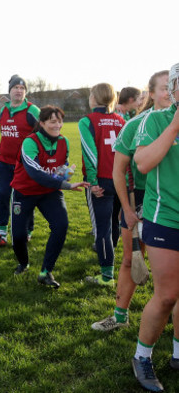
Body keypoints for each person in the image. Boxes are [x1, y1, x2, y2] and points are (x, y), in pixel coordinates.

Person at [92, 70, 171, 332]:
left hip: (174, 207)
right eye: (165, 88)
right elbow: (118, 171)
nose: (170, 93)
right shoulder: (136, 124)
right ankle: (120, 315)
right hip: (141, 203)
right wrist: (126, 209)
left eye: (174, 86)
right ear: (151, 93)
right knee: (131, 259)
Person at [130, 63, 179, 392]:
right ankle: (142, 357)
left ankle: (178, 352)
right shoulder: (155, 120)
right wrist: (176, 124)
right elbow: (143, 163)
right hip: (165, 217)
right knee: (166, 296)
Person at [9, 105, 89, 286]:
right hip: (25, 192)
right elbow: (35, 172)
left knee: (61, 225)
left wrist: (65, 173)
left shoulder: (64, 142)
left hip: (49, 193)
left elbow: (59, 169)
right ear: (42, 123)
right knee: (19, 235)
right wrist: (66, 184)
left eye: (60, 121)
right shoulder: (30, 142)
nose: (57, 125)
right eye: (53, 121)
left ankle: (46, 272)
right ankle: (23, 263)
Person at [79, 83, 126, 286]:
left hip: (101, 181)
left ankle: (107, 276)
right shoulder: (121, 120)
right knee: (113, 223)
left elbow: (90, 154)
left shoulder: (87, 121)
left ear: (95, 98)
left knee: (102, 229)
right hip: (120, 179)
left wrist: (93, 182)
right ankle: (111, 261)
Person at [0, 75, 40, 248]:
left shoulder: (32, 111)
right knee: (3, 195)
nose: (19, 91)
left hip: (24, 165)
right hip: (4, 162)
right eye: (15, 88)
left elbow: (43, 134)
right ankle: (1, 234)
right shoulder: (4, 110)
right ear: (9, 90)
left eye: (22, 88)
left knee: (25, 198)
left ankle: (27, 231)